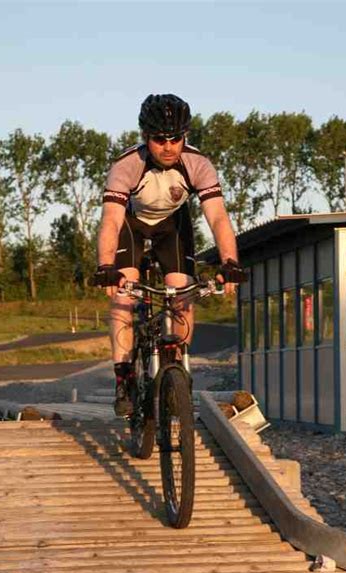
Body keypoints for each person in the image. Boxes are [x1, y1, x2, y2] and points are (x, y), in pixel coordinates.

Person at [93, 93, 245, 416]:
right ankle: (124, 377)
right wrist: (106, 265)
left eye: (175, 138)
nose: (168, 146)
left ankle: (176, 368)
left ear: (185, 135)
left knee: (182, 295)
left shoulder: (198, 164)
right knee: (123, 297)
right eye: (160, 139)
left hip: (172, 226)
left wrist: (230, 262)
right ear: (146, 138)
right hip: (130, 224)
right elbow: (110, 220)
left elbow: (218, 217)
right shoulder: (126, 166)